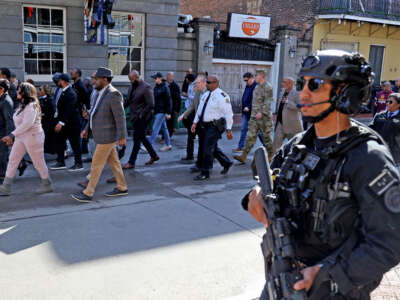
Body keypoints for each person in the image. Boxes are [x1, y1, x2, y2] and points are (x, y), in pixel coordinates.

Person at [244, 50, 400, 299]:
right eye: (301, 84)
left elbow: (390, 241)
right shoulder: (298, 145)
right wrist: (257, 194)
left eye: (314, 85)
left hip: (334, 290)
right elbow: (271, 180)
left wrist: (328, 274)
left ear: (344, 94)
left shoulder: (369, 158)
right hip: (283, 278)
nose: (303, 93)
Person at [72, 67, 128, 202]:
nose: (94, 81)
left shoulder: (114, 94)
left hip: (107, 136)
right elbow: (93, 114)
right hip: (100, 134)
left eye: (96, 79)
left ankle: (88, 192)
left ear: (105, 79)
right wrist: (86, 128)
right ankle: (122, 186)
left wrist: (122, 136)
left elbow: (120, 117)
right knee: (114, 162)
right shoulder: (98, 93)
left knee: (96, 165)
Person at [0, 82, 53, 196]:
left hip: (33, 137)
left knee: (38, 162)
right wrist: (14, 135)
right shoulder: (22, 104)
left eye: (19, 89)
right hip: (21, 137)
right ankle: (6, 187)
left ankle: (47, 184)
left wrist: (11, 135)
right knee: (13, 160)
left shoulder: (32, 106)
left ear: (25, 92)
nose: (17, 91)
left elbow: (27, 124)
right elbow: (20, 124)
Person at [191, 75, 233, 180]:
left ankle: (205, 172)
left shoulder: (222, 96)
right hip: (204, 126)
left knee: (207, 148)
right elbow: (200, 110)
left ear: (216, 83)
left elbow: (228, 113)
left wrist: (229, 129)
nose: (207, 84)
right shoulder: (206, 95)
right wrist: (194, 122)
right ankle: (226, 163)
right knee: (212, 148)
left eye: (209, 83)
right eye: (207, 82)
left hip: (214, 126)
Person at [233, 69, 274, 164]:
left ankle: (271, 155)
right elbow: (254, 102)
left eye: (257, 75)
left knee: (266, 137)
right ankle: (244, 156)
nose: (255, 77)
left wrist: (261, 112)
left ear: (262, 76)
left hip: (264, 117)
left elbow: (267, 102)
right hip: (254, 117)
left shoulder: (268, 87)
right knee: (250, 136)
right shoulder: (257, 88)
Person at [122, 70, 159, 169]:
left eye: (132, 79)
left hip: (143, 118)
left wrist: (141, 114)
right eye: (130, 80)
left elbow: (151, 104)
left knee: (136, 139)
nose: (131, 81)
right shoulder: (131, 86)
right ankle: (154, 155)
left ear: (137, 77)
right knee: (142, 137)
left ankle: (131, 162)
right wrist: (121, 108)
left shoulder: (146, 87)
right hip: (134, 117)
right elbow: (128, 101)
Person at [50, 73, 83, 171]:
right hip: (62, 122)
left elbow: (68, 110)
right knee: (60, 142)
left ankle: (78, 164)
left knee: (75, 143)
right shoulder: (60, 90)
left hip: (72, 123)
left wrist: (61, 123)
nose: (57, 82)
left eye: (59, 80)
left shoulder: (71, 93)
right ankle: (61, 162)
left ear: (63, 81)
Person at [178, 75, 206, 163]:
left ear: (203, 83)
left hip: (208, 122)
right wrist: (183, 115)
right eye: (195, 83)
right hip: (196, 119)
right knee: (195, 139)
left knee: (208, 144)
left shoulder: (209, 93)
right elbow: (192, 106)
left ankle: (222, 161)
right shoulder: (198, 93)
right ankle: (197, 162)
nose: (196, 85)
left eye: (197, 83)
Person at [272, 77, 303, 153]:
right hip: (280, 123)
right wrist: (275, 113)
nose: (282, 84)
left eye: (284, 82)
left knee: (294, 147)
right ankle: (272, 162)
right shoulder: (282, 92)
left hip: (292, 125)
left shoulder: (296, 93)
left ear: (290, 84)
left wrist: (288, 102)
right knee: (275, 145)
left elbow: (300, 108)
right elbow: (279, 105)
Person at [370, 93, 400, 170]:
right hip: (380, 154)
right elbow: (370, 131)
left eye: (390, 102)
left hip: (396, 157)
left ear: (398, 104)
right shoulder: (379, 116)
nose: (387, 103)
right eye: (387, 101)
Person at [233, 72, 258, 153]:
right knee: (243, 129)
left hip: (253, 113)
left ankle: (268, 147)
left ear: (251, 78)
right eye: (244, 80)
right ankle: (241, 146)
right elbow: (245, 97)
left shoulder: (256, 86)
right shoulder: (247, 86)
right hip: (245, 113)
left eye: (246, 80)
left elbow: (256, 100)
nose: (245, 82)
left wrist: (249, 107)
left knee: (259, 132)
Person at [148, 72, 173, 152]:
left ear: (160, 78)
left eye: (155, 78)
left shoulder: (165, 87)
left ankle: (148, 145)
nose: (155, 80)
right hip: (158, 110)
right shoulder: (157, 87)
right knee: (164, 128)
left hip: (162, 111)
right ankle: (168, 144)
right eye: (154, 78)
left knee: (155, 128)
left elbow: (169, 100)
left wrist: (168, 113)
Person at [0, 79, 15, 180]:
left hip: (2, 132)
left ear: (1, 89)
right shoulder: (1, 99)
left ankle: (2, 176)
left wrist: (9, 136)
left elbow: (9, 120)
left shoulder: (6, 101)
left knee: (2, 154)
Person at [38, 85, 56, 154]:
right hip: (42, 121)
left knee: (48, 136)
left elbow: (51, 111)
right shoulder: (40, 99)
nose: (39, 91)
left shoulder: (50, 99)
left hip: (48, 121)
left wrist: (42, 114)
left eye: (41, 89)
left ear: (45, 91)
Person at [166, 72, 181, 138]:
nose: (167, 78)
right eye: (167, 77)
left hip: (172, 107)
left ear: (171, 77)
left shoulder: (175, 86)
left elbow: (178, 98)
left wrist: (177, 109)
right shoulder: (168, 85)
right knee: (168, 122)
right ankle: (167, 136)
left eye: (168, 76)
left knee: (170, 123)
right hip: (168, 107)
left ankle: (169, 135)